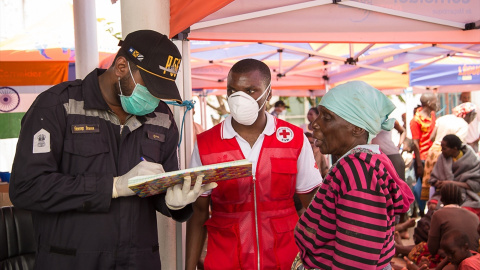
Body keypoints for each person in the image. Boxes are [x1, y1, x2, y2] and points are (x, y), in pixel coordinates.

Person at [9, 30, 216, 270]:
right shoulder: (58, 106)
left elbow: (163, 184)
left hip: (138, 262)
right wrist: (113, 187)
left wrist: (175, 203)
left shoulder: (161, 117)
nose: (155, 97)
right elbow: (27, 188)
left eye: (161, 90)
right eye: (150, 86)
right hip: (71, 260)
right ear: (120, 67)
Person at [185, 59, 322, 270]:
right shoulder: (206, 144)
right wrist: (189, 267)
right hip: (225, 259)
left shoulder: (294, 138)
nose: (240, 99)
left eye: (250, 90)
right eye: (233, 90)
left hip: (285, 259)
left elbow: (312, 205)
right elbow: (199, 212)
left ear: (268, 93)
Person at [293, 81, 414, 269]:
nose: (315, 124)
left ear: (357, 128)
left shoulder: (358, 172)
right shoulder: (360, 164)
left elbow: (356, 260)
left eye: (327, 117)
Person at [422, 102, 477, 200]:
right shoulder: (463, 125)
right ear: (467, 114)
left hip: (433, 153)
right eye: (472, 116)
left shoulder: (442, 118)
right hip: (448, 154)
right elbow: (459, 142)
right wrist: (446, 149)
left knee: (430, 186)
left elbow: (432, 137)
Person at [429, 134, 480, 217]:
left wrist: (450, 183)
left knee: (464, 211)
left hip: (468, 195)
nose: (442, 150)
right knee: (433, 206)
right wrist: (438, 183)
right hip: (445, 195)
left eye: (444, 148)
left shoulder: (472, 160)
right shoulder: (442, 158)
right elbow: (433, 179)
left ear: (455, 148)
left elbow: (475, 185)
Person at [410, 93, 438, 216]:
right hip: (421, 160)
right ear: (429, 103)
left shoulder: (432, 116)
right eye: (435, 102)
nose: (437, 104)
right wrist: (419, 165)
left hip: (432, 157)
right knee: (421, 188)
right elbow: (415, 144)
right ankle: (422, 212)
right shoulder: (415, 121)